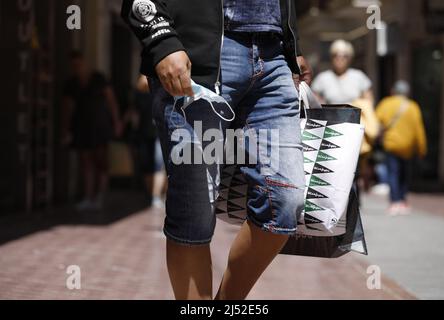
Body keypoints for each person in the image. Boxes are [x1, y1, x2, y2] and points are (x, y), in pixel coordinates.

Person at [122, 0, 312, 300]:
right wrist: (161, 39)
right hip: (197, 60)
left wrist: (293, 44)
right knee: (194, 211)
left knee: (285, 199)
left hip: (273, 59)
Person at [312, 39, 379, 192]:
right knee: (334, 167)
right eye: (336, 55)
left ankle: (354, 199)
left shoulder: (359, 76)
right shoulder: (323, 78)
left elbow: (369, 101)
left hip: (354, 127)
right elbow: (314, 102)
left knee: (354, 167)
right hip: (331, 128)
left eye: (344, 55)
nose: (340, 59)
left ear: (350, 57)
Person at [62, 51, 122, 211]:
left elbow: (111, 101)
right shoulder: (71, 84)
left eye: (79, 63)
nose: (77, 67)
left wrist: (116, 122)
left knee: (101, 160)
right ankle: (88, 196)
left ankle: (100, 196)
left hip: (100, 125)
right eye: (74, 65)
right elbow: (68, 108)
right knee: (85, 161)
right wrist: (66, 129)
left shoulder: (98, 78)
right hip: (81, 126)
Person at [375, 80, 427, 216]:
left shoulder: (386, 103)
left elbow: (376, 122)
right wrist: (422, 149)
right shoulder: (413, 106)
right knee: (404, 174)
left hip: (392, 145)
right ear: (407, 92)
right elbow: (419, 130)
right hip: (408, 147)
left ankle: (394, 202)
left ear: (393, 91)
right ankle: (403, 201)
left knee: (393, 173)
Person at [123, 75, 167, 209]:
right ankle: (152, 195)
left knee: (158, 165)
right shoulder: (140, 96)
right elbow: (133, 114)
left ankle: (155, 196)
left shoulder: (162, 92)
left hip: (159, 133)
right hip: (144, 134)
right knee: (147, 165)